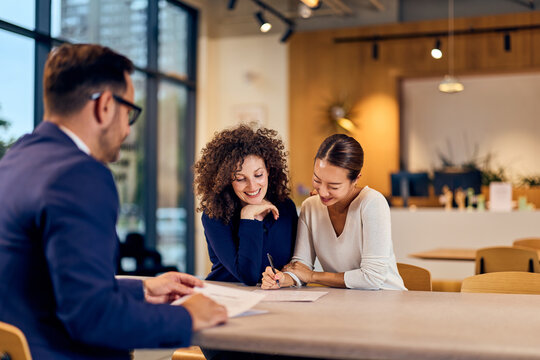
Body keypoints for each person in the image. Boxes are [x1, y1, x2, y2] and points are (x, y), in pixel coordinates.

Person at [0, 43, 227, 360]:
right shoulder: (79, 175)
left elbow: (50, 286)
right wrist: (189, 317)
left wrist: (143, 290)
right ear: (105, 106)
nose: (126, 130)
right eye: (129, 113)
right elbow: (93, 316)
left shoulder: (15, 160)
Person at [261, 134, 406, 290]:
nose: (322, 192)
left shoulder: (372, 203)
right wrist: (283, 278)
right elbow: (300, 265)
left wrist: (312, 276)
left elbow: (372, 278)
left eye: (334, 186)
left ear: (356, 179)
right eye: (317, 180)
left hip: (386, 300)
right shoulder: (310, 207)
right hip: (344, 302)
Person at [193, 124, 297, 286]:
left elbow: (294, 266)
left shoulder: (286, 207)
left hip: (277, 297)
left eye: (258, 175)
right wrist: (248, 217)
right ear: (227, 179)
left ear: (268, 170)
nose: (252, 186)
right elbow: (248, 276)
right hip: (227, 297)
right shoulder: (214, 215)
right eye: (241, 179)